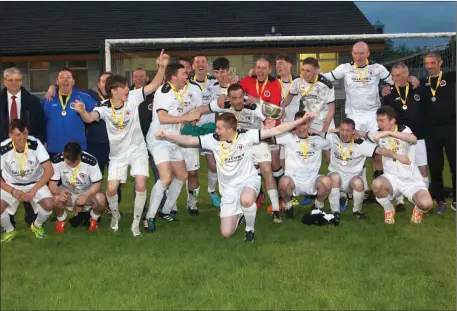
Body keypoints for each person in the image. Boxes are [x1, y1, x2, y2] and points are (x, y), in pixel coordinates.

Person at [155, 111, 315, 242]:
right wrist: (167, 136)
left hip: (248, 180)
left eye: (219, 128)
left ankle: (250, 231)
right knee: (226, 233)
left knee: (246, 200)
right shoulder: (213, 140)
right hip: (229, 189)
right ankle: (240, 215)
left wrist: (301, 120)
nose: (216, 131)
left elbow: (275, 131)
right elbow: (189, 140)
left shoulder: (246, 136)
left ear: (230, 129)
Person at [74, 49, 170, 237]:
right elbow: (89, 118)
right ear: (113, 91)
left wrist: (162, 67)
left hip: (137, 150)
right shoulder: (103, 107)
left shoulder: (134, 97)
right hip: (117, 154)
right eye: (123, 87)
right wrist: (82, 112)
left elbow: (154, 85)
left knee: (141, 183)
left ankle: (135, 224)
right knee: (111, 188)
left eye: (128, 86)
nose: (128, 89)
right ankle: (115, 216)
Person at [321, 41, 396, 200]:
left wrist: (387, 88)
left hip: (373, 116)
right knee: (356, 153)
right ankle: (362, 189)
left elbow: (394, 80)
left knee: (377, 154)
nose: (359, 56)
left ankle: (378, 188)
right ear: (352, 54)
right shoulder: (345, 68)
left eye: (362, 53)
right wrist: (315, 73)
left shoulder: (377, 68)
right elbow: (327, 77)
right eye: (356, 53)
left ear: (368, 53)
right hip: (353, 116)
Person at [201, 84, 283, 223]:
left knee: (266, 168)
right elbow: (203, 109)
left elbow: (275, 116)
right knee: (236, 174)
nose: (238, 101)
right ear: (228, 97)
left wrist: (269, 121)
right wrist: (192, 115)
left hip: (255, 141)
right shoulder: (223, 104)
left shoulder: (254, 106)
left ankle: (276, 209)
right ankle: (238, 210)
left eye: (240, 97)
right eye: (234, 98)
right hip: (236, 144)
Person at [310, 118, 411, 220]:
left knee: (358, 182)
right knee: (334, 177)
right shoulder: (333, 138)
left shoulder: (361, 144)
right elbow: (317, 132)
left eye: (348, 130)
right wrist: (307, 129)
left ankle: (357, 211)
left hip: (351, 180)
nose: (344, 133)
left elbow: (380, 150)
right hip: (336, 179)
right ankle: (335, 212)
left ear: (354, 132)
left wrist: (397, 156)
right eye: (342, 130)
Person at [145, 63, 202, 230]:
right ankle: (150, 217)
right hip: (159, 139)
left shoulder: (175, 92)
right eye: (184, 73)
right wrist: (186, 118)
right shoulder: (165, 91)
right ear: (173, 77)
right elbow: (163, 118)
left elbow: (174, 116)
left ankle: (165, 210)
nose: (187, 76)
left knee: (183, 175)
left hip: (172, 138)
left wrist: (188, 117)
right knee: (166, 177)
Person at [367, 106, 433, 224]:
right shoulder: (378, 133)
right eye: (377, 120)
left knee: (427, 205)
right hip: (392, 179)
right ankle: (388, 210)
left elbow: (413, 139)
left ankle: (418, 210)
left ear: (392, 120)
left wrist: (389, 133)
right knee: (376, 184)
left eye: (382, 120)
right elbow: (365, 134)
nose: (379, 123)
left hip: (411, 180)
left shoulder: (403, 129)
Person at [0, 67, 46, 227]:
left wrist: (40, 145)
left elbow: (40, 124)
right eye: (10, 80)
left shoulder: (32, 100)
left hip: (26, 147)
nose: (14, 83)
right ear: (4, 81)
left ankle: (32, 218)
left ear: (22, 81)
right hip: (3, 148)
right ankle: (7, 220)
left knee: (28, 178)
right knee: (7, 180)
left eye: (17, 80)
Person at [382, 62, 429, 212]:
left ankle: (421, 200)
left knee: (422, 168)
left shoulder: (418, 88)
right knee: (399, 168)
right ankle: (400, 200)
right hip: (399, 137)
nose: (394, 78)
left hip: (418, 135)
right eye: (393, 75)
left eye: (398, 75)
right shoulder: (389, 93)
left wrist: (416, 79)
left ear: (407, 75)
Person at [239, 56, 283, 210]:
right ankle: (259, 194)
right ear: (254, 68)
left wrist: (257, 100)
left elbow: (275, 109)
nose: (260, 70)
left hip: (271, 128)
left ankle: (280, 198)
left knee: (275, 163)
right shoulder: (246, 81)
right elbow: (236, 96)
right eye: (258, 67)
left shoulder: (275, 84)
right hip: (252, 131)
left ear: (269, 69)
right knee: (254, 166)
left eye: (264, 68)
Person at [0, 119, 54, 242]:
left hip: (35, 183)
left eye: (25, 133)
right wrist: (13, 191)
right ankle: (9, 230)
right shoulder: (3, 148)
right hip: (11, 184)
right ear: (10, 135)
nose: (22, 138)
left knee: (49, 204)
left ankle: (37, 225)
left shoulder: (35, 144)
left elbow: (49, 170)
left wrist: (33, 191)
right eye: (18, 135)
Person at [275, 111, 332, 219]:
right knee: (283, 182)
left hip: (312, 179)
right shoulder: (288, 138)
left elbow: (336, 141)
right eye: (298, 124)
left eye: (304, 124)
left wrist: (315, 131)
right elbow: (268, 136)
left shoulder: (317, 139)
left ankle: (317, 206)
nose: (301, 128)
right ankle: (288, 206)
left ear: (309, 124)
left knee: (327, 182)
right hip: (293, 180)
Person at [420, 52, 455, 212]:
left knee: (455, 165)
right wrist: (386, 88)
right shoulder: (420, 83)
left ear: (440, 63)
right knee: (435, 167)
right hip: (431, 131)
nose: (429, 66)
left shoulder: (451, 77)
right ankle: (440, 200)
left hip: (450, 128)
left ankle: (455, 200)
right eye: (427, 63)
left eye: (433, 63)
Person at [40, 67, 97, 158]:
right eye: (62, 77)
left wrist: (84, 111)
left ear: (73, 81)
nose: (65, 80)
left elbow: (97, 113)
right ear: (57, 81)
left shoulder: (83, 97)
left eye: (68, 77)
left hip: (77, 148)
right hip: (54, 148)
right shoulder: (48, 99)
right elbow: (41, 122)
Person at [49, 142, 105, 233]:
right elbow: (52, 185)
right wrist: (60, 192)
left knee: (101, 198)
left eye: (75, 161)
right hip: (68, 194)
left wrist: (86, 195)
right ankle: (61, 220)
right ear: (63, 154)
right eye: (69, 161)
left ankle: (93, 219)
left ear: (80, 154)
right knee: (55, 198)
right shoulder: (56, 160)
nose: (72, 165)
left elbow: (98, 184)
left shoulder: (90, 160)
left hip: (87, 193)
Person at [190, 54, 221, 209]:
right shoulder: (187, 83)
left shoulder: (214, 82)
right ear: (193, 66)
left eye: (203, 61)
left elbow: (228, 85)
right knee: (192, 171)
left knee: (213, 164)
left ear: (207, 66)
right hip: (192, 130)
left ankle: (211, 191)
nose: (201, 64)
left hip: (209, 129)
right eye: (197, 62)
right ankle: (193, 202)